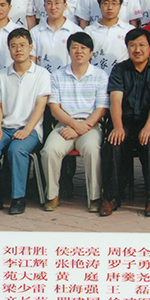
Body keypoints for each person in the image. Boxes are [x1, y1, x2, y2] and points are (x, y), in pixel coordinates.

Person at [0, 28, 50, 216]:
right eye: (14, 46)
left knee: (16, 150)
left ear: (31, 47)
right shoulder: (2, 75)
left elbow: (41, 105)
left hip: (30, 129)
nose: (18, 49)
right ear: (9, 48)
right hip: (5, 128)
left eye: (23, 45)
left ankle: (18, 198)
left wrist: (27, 130)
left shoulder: (41, 74)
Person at [100, 28, 150, 217]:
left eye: (142, 45)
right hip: (124, 121)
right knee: (113, 142)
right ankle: (111, 197)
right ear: (127, 48)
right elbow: (115, 100)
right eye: (132, 45)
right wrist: (118, 126)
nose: (137, 50)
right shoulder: (119, 69)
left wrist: (148, 128)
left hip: (148, 122)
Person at [41, 32, 109, 212]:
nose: (79, 51)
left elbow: (101, 109)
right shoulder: (57, 75)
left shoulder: (100, 75)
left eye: (84, 48)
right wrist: (73, 124)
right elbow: (55, 109)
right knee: (49, 150)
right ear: (69, 51)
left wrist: (80, 128)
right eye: (75, 47)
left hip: (90, 126)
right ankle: (52, 196)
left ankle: (95, 197)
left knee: (92, 150)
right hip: (65, 125)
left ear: (91, 52)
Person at [30, 0, 82, 74]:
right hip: (43, 79)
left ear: (65, 5)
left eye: (57, 3)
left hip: (67, 78)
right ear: (44, 6)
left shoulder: (76, 31)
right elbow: (32, 61)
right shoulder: (35, 32)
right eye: (49, 3)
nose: (53, 7)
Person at [84, 0, 131, 75]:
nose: (110, 7)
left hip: (122, 78)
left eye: (114, 3)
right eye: (106, 3)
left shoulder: (129, 30)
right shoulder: (89, 31)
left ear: (120, 6)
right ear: (100, 5)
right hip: (95, 77)